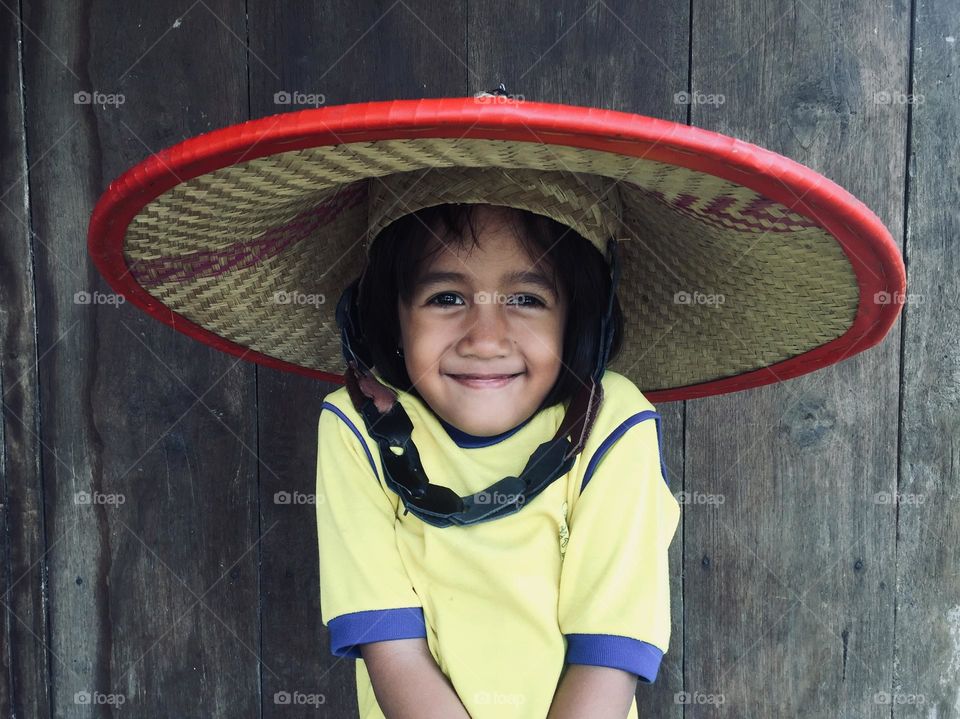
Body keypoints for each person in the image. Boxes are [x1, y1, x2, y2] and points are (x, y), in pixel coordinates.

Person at [316, 201, 681, 719]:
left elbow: (608, 652)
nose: (485, 340)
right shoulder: (359, 425)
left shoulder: (612, 424)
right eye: (445, 297)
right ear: (389, 316)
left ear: (578, 320)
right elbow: (391, 646)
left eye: (526, 299)